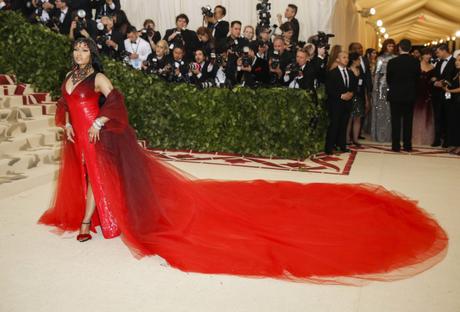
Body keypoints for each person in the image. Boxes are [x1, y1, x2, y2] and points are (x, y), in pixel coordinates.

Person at [38, 37, 447, 284]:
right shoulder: (70, 78)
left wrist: (103, 119)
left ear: (91, 53)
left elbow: (116, 101)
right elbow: (66, 105)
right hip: (81, 135)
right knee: (90, 175)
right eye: (76, 48)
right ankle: (94, 219)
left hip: (100, 135)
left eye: (84, 48)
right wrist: (70, 125)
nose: (78, 53)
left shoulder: (99, 77)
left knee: (102, 177)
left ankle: (99, 220)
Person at [387, 39, 420, 152]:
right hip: (409, 95)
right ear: (410, 48)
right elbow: (417, 79)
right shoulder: (415, 62)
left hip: (395, 95)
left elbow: (388, 79)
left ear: (399, 48)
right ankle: (407, 145)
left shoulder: (392, 62)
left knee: (395, 121)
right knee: (408, 121)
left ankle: (395, 146)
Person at [324, 51, 357, 155]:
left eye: (347, 57)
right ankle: (329, 147)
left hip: (347, 104)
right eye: (343, 57)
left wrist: (351, 94)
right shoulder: (332, 73)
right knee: (334, 125)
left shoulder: (350, 73)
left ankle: (342, 145)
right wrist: (341, 95)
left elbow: (354, 86)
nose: (346, 59)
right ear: (338, 59)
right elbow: (329, 89)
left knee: (344, 125)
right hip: (335, 103)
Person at [370, 38, 396, 142]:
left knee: (391, 111)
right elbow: (376, 74)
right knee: (381, 111)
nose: (391, 48)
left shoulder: (395, 58)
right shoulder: (380, 59)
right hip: (381, 87)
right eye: (389, 46)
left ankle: (390, 135)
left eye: (392, 46)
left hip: (393, 85)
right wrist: (375, 88)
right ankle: (380, 135)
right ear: (385, 46)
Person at [431, 44, 456, 147]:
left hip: (449, 93)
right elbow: (436, 75)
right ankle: (437, 139)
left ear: (444, 51)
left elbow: (454, 78)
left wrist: (444, 83)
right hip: (437, 94)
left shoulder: (455, 62)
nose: (437, 54)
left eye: (438, 52)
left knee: (447, 117)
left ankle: (447, 140)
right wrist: (435, 81)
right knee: (437, 117)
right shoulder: (439, 62)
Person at [412, 48, 435, 146]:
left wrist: (434, 80)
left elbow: (434, 81)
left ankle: (426, 138)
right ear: (422, 55)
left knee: (427, 117)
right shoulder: (416, 65)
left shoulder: (433, 67)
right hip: (416, 94)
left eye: (429, 54)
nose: (428, 56)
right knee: (415, 116)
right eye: (426, 54)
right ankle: (415, 138)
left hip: (427, 94)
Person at [347, 52, 367, 146]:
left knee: (358, 118)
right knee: (349, 118)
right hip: (350, 96)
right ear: (354, 60)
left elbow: (364, 85)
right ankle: (347, 139)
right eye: (359, 60)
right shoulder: (348, 70)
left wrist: (366, 98)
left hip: (360, 97)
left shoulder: (360, 71)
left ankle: (355, 139)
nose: (360, 61)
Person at [443, 54, 460, 154]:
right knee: (455, 124)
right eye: (456, 60)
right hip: (455, 102)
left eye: (459, 60)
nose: (457, 62)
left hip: (458, 101)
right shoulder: (457, 73)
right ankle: (455, 144)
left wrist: (449, 90)